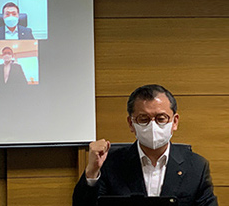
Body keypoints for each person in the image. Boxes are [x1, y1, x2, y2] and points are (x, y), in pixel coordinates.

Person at [73, 84, 218, 206]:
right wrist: (92, 172)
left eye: (161, 118)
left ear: (174, 122)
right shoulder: (110, 163)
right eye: (143, 119)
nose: (153, 125)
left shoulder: (196, 166)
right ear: (131, 123)